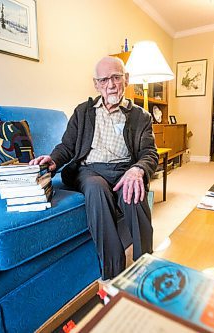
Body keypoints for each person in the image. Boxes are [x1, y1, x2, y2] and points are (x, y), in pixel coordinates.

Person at [29, 56, 159, 279]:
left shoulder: (140, 116)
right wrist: (54, 160)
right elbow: (67, 146)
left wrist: (137, 170)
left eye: (116, 77)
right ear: (96, 84)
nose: (111, 84)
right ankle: (114, 273)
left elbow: (149, 153)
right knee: (96, 189)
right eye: (104, 79)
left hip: (124, 169)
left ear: (126, 80)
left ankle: (145, 270)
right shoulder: (83, 112)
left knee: (134, 194)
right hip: (90, 170)